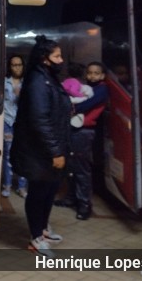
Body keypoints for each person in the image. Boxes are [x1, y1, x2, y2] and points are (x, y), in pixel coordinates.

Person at [10, 35, 72, 258]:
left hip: (50, 147)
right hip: (40, 151)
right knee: (38, 192)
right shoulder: (38, 81)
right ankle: (36, 237)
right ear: (45, 59)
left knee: (49, 190)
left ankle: (43, 230)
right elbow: (39, 119)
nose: (61, 59)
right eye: (57, 56)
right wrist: (55, 151)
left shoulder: (48, 77)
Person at [55, 61, 109, 220]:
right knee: (71, 167)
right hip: (74, 130)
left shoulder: (102, 89)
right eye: (90, 72)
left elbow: (83, 106)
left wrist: (69, 107)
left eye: (96, 73)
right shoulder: (87, 88)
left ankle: (85, 205)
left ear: (102, 75)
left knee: (82, 169)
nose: (92, 75)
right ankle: (71, 199)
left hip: (84, 132)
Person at [1, 54, 27, 198]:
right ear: (9, 67)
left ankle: (22, 187)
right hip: (8, 121)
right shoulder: (5, 83)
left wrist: (21, 96)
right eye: (14, 65)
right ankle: (7, 185)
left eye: (19, 65)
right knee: (8, 154)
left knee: (23, 154)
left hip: (23, 123)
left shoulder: (27, 83)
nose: (17, 67)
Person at [61, 62, 94, 128]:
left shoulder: (67, 80)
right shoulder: (75, 82)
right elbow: (73, 91)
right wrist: (82, 95)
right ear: (81, 74)